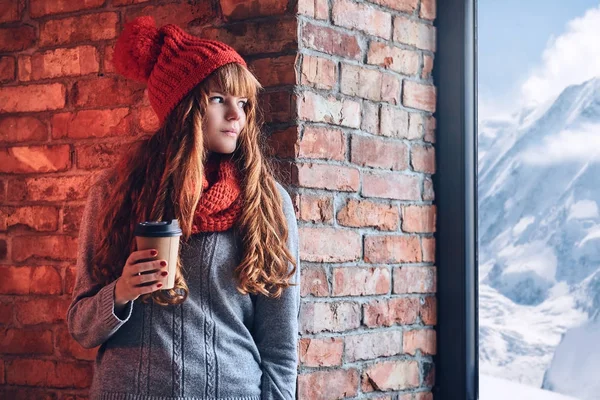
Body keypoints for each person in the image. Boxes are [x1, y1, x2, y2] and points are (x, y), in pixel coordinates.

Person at [66, 16, 300, 400]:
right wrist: (122, 292)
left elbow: (280, 346)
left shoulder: (267, 202)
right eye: (219, 100)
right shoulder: (115, 193)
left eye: (243, 102)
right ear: (184, 107)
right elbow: (80, 326)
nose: (236, 116)